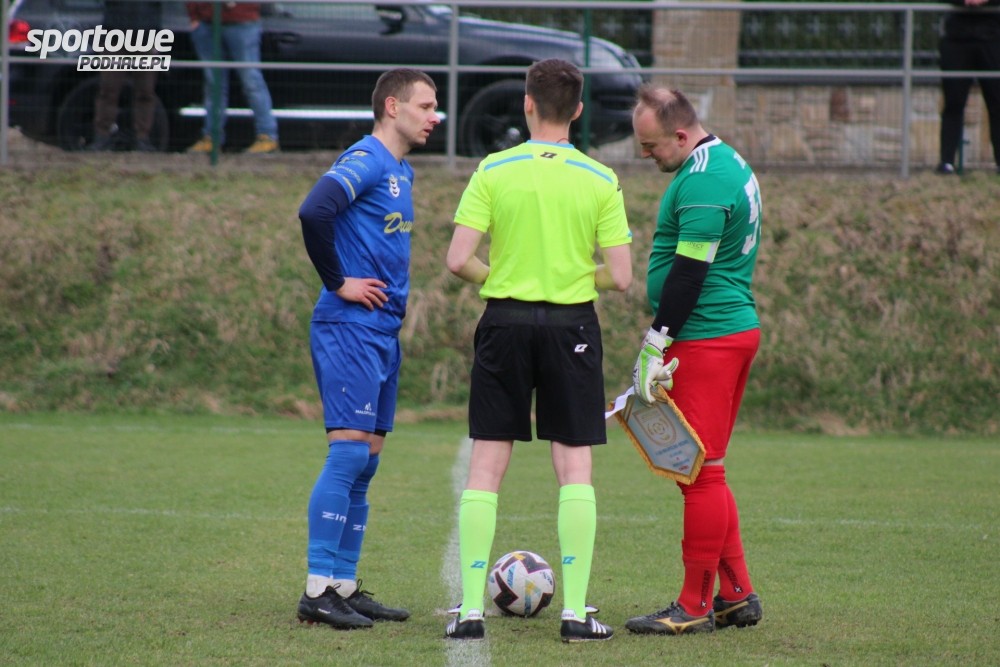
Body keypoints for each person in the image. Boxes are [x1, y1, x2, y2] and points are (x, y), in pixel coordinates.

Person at [443, 58, 633, 643]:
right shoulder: (601, 178)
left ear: (526, 103)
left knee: (485, 465)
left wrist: (501, 278)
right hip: (571, 326)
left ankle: (469, 612)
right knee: (574, 466)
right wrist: (573, 278)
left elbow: (457, 260)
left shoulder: (493, 169)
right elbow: (622, 276)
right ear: (578, 110)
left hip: (504, 321)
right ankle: (575, 614)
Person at [295, 68, 440, 629]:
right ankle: (317, 589)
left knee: (368, 460)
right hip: (350, 325)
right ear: (391, 106)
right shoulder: (368, 158)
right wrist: (339, 282)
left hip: (381, 330)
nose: (433, 117)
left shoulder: (402, 169)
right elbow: (314, 211)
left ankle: (343, 584)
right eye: (424, 106)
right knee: (350, 453)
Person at [626, 85, 763, 636]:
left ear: (681, 135)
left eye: (652, 146)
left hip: (708, 336)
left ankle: (694, 604)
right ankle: (735, 595)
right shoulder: (722, 162)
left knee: (698, 474)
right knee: (710, 470)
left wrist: (656, 341)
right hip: (724, 332)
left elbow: (689, 272)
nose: (646, 155)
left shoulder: (705, 177)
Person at [185, 2, 279, 153]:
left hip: (242, 21)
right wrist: (194, 16)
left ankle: (267, 135)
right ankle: (211, 137)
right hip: (206, 22)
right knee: (214, 84)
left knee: (251, 81)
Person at [86, 1, 163, 152]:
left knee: (146, 91)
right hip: (114, 36)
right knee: (108, 89)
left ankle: (142, 138)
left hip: (147, 37)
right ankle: (102, 136)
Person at [936, 0, 1000, 175]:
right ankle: (947, 162)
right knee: (953, 103)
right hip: (957, 38)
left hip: (992, 37)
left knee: (997, 104)